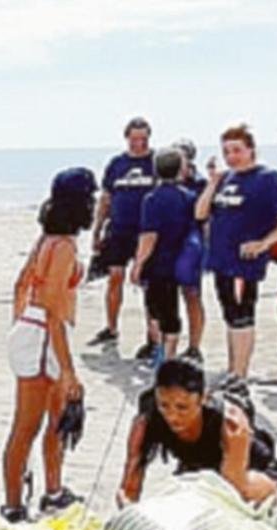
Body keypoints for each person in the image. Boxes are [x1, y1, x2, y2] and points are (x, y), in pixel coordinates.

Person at [1, 167, 95, 522]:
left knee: (56, 420)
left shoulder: (46, 240)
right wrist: (69, 370)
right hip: (44, 335)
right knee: (29, 425)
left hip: (33, 328)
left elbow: (20, 284)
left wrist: (19, 325)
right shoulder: (65, 247)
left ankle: (52, 492)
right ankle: (14, 505)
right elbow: (55, 310)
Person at [195, 124, 277, 381]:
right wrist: (212, 183)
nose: (231, 156)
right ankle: (234, 368)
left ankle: (240, 373)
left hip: (243, 262)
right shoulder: (227, 179)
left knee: (241, 315)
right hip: (220, 258)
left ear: (251, 150)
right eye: (227, 151)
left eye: (237, 150)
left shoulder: (267, 178)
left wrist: (266, 242)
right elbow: (200, 213)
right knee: (229, 315)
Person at [117, 358, 277, 508]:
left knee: (238, 496)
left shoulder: (230, 423)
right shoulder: (147, 420)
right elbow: (129, 487)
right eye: (164, 405)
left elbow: (232, 494)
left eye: (182, 408)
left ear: (203, 399)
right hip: (198, 473)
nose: (172, 416)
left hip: (251, 476)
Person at [91, 117, 157, 359]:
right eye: (134, 139)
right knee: (115, 277)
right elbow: (106, 198)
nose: (139, 144)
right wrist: (97, 229)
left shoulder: (155, 162)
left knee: (148, 284)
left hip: (146, 231)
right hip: (118, 230)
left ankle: (152, 336)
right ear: (127, 138)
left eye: (143, 139)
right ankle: (111, 327)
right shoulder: (117, 164)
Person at [130, 148, 197, 362]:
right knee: (172, 309)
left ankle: (164, 355)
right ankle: (168, 353)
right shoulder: (188, 197)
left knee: (157, 309)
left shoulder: (152, 198)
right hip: (181, 258)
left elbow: (149, 236)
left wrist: (138, 264)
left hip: (158, 262)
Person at [170, 138, 207, 361]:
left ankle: (194, 346)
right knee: (162, 295)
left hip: (190, 243)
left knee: (191, 294)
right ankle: (157, 341)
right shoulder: (164, 179)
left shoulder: (200, 183)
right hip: (168, 243)